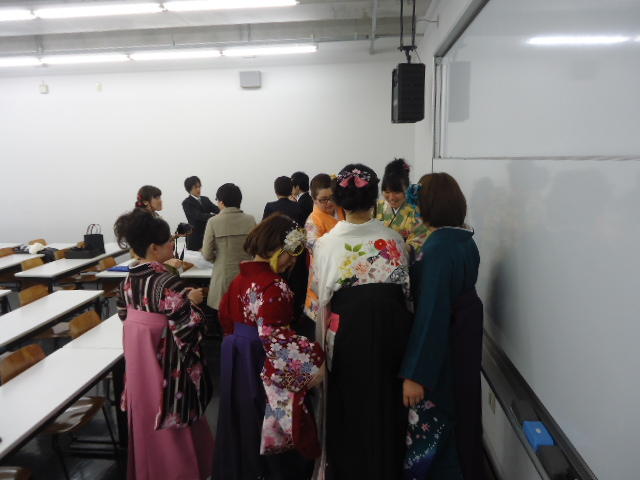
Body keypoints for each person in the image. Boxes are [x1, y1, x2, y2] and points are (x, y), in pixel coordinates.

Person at [312, 164, 412, 480]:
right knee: (387, 404)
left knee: (349, 407)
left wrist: (319, 353)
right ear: (374, 198)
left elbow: (319, 302)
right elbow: (408, 296)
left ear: (339, 200)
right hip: (392, 333)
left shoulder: (326, 244)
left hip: (348, 336)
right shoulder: (393, 239)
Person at [214, 214, 325, 480]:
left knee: (242, 421)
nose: (292, 261)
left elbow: (225, 318)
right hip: (261, 357)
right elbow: (276, 338)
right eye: (290, 253)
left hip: (237, 356)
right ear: (276, 248)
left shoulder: (239, 280)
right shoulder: (274, 286)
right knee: (268, 421)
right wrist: (316, 359)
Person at [114, 208, 214, 480]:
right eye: (168, 241)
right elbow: (191, 326)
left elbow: (123, 315)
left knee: (146, 414)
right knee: (171, 409)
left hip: (139, 361)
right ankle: (180, 471)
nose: (172, 244)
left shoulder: (127, 280)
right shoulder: (167, 282)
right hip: (165, 361)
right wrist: (193, 302)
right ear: (154, 248)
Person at [399, 173, 483, 480]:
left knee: (439, 432)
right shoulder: (462, 239)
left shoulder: (437, 250)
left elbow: (432, 314)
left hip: (442, 353)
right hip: (460, 345)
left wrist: (415, 375)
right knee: (461, 419)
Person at [201, 183, 256, 312]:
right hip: (247, 276)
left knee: (224, 314)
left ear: (221, 202)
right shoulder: (250, 220)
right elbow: (256, 249)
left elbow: (207, 254)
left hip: (223, 277)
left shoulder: (213, 222)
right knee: (246, 313)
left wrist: (218, 260)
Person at [302, 174, 345, 325]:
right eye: (323, 199)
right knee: (324, 322)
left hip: (344, 270)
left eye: (332, 197)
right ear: (314, 199)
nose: (329, 202)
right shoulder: (313, 220)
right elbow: (315, 247)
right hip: (324, 273)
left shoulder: (342, 210)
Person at [376, 159, 429, 255]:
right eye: (387, 192)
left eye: (397, 192)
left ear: (407, 188)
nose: (391, 197)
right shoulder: (377, 208)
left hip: (403, 258)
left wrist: (398, 246)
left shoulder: (416, 210)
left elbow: (420, 241)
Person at [182, 176, 220, 251]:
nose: (198, 189)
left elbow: (216, 209)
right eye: (195, 187)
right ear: (189, 189)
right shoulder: (186, 203)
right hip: (195, 239)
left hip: (208, 236)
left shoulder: (205, 199)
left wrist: (226, 211)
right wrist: (217, 216)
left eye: (199, 186)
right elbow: (198, 216)